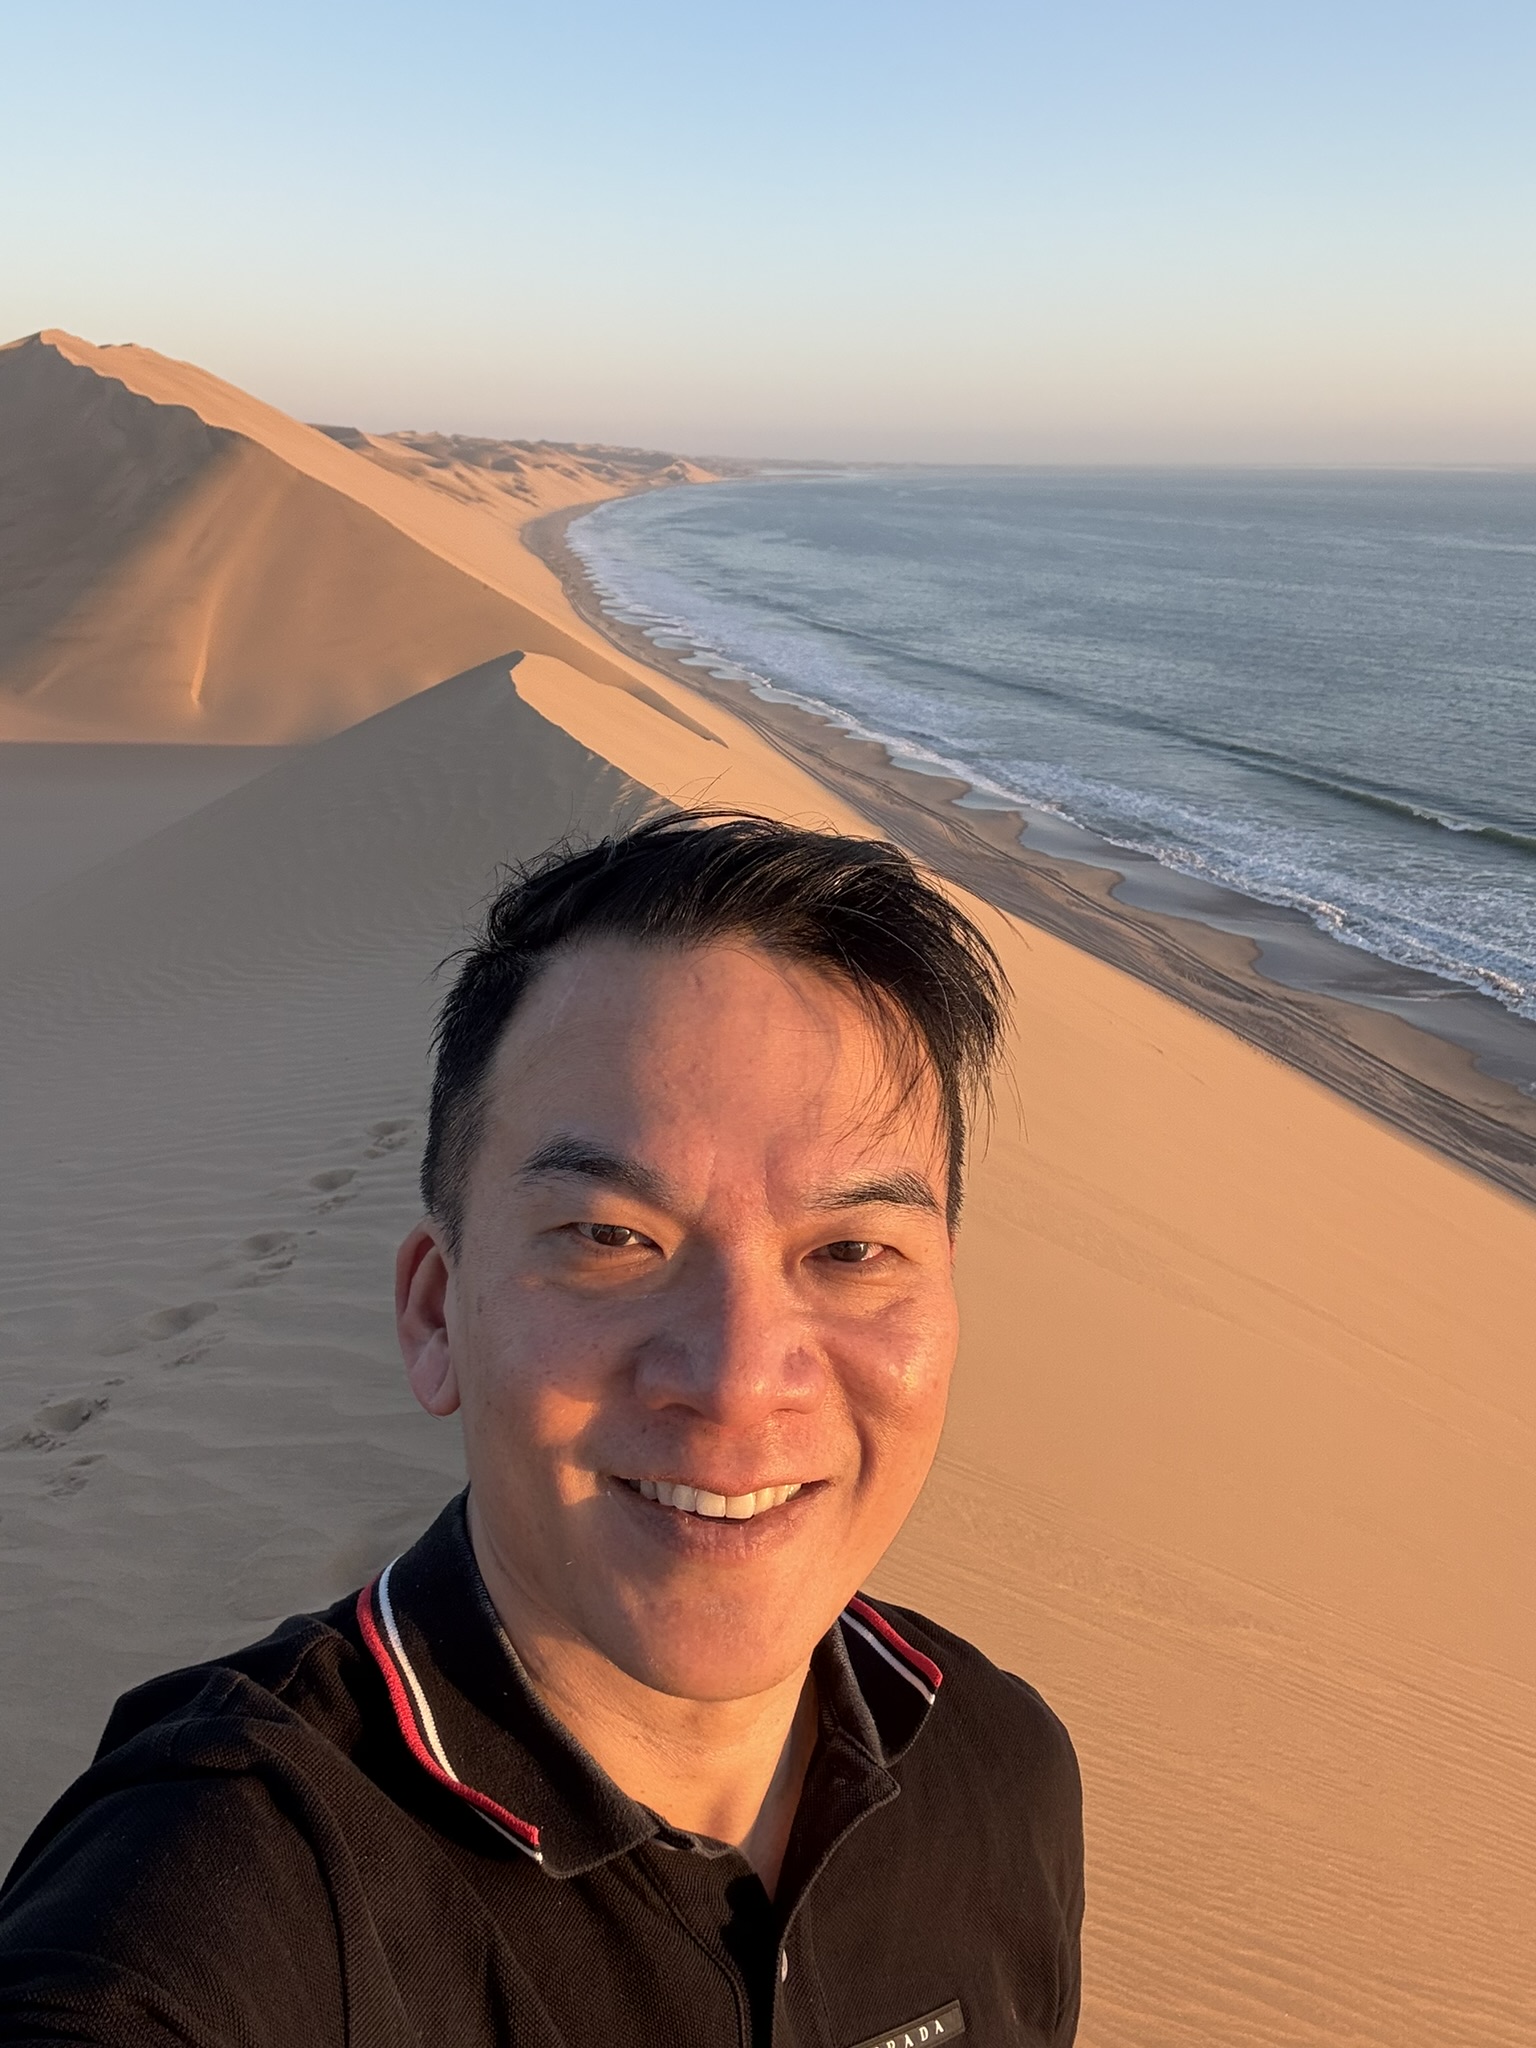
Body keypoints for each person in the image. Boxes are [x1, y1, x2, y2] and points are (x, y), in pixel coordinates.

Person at [0, 811, 1083, 2047]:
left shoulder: (998, 1763)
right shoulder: (232, 1874)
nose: (736, 1378)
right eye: (612, 1236)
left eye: (851, 1250)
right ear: (433, 1312)